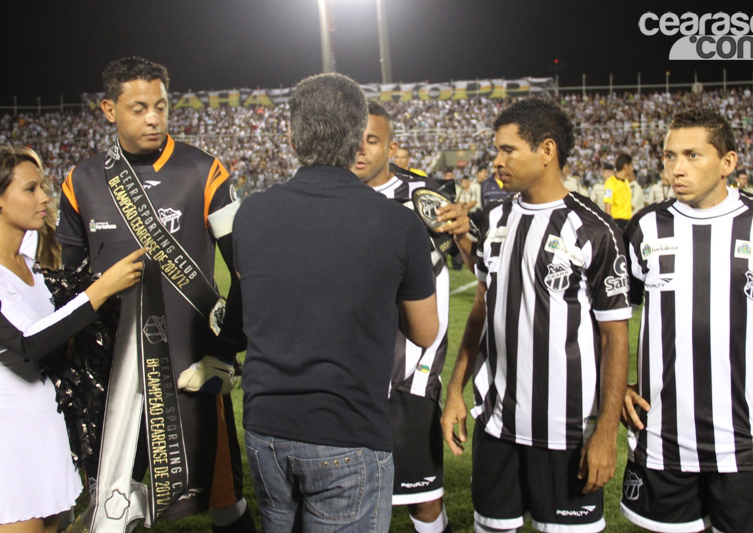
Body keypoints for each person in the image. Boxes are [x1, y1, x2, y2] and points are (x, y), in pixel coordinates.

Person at [55, 57, 255, 532]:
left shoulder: (204, 171)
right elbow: (70, 288)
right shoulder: (79, 181)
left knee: (224, 500)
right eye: (139, 107)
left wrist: (225, 352)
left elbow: (248, 271)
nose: (153, 118)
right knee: (111, 505)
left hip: (191, 368)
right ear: (108, 109)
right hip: (111, 376)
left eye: (160, 106)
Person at [234, 73, 439, 532]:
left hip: (266, 426)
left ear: (291, 136)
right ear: (355, 139)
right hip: (347, 428)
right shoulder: (397, 223)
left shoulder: (252, 211)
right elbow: (426, 332)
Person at [441, 98, 631, 533]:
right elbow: (482, 310)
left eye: (508, 150)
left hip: (566, 432)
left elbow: (614, 340)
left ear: (546, 151)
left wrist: (605, 435)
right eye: (497, 150)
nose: (497, 161)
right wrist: (456, 390)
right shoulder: (496, 217)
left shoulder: (594, 230)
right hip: (497, 425)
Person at [621, 107, 753, 532]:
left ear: (728, 163)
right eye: (668, 156)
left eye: (691, 155)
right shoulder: (646, 227)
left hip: (750, 444)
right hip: (662, 443)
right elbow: (606, 319)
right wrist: (616, 390)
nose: (676, 169)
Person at [0, 146, 145, 533]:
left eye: (43, 187)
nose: (45, 197)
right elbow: (28, 342)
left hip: (48, 435)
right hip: (9, 446)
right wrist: (100, 291)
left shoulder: (30, 268)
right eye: (30, 189)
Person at [351, 100, 473, 533]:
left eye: (372, 140)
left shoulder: (422, 198)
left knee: (422, 502)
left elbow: (480, 269)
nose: (360, 149)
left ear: (391, 146)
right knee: (352, 501)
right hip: (345, 380)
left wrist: (464, 234)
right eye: (353, 138)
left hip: (410, 380)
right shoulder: (331, 196)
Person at [604, 154, 633, 229]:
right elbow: (607, 206)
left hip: (628, 221)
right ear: (625, 166)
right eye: (631, 166)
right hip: (616, 221)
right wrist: (611, 225)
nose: (632, 169)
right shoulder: (610, 183)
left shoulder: (626, 182)